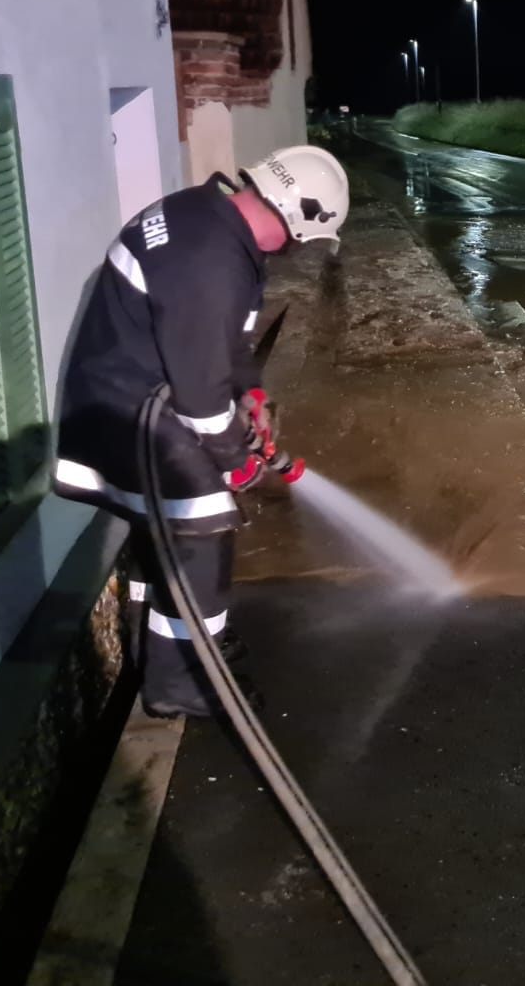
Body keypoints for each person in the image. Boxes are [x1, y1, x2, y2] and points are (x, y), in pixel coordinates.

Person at [54, 146, 349, 718]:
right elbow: (198, 392)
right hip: (132, 413)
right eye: (303, 240)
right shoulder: (212, 261)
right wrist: (233, 456)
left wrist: (253, 392)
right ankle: (180, 681)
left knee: (162, 529)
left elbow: (225, 343)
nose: (296, 252)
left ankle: (165, 645)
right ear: (296, 216)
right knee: (204, 527)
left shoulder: (209, 220)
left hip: (123, 400)